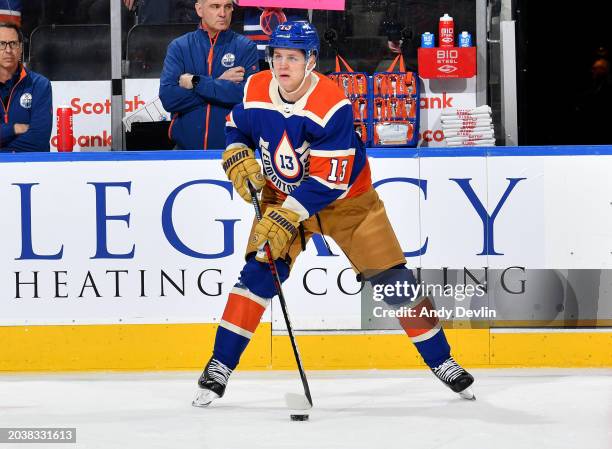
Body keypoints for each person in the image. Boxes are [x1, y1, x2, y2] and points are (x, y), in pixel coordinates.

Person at [192, 21, 475, 407]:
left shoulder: (332, 104)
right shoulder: (256, 87)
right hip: (282, 196)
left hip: (349, 205)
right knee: (256, 275)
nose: (282, 65)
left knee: (396, 284)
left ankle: (443, 361)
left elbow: (331, 183)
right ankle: (219, 366)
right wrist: (236, 152)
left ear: (310, 61)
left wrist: (286, 214)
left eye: (292, 57)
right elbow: (236, 125)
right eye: (276, 56)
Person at [159, 0, 258, 150]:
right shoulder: (179, 47)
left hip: (234, 153)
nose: (223, 13)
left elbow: (247, 97)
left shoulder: (246, 47)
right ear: (199, 10)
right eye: (215, 6)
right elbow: (169, 98)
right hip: (184, 153)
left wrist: (196, 82)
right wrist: (219, 82)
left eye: (228, 7)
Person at [0, 22, 52, 152]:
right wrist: (13, 128)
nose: (8, 50)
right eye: (1, 44)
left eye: (13, 44)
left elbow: (39, 141)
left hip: (32, 168)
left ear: (21, 48)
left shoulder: (39, 84)